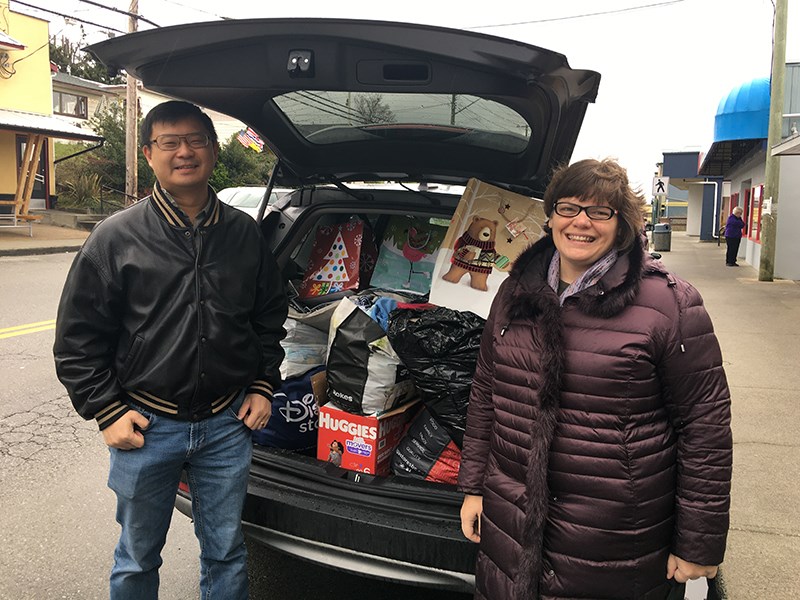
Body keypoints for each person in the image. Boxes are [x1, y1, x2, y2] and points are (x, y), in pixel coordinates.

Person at [458, 158, 732, 600]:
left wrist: (698, 542)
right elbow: (486, 392)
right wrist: (473, 487)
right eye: (568, 208)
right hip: (512, 520)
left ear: (621, 224)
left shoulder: (668, 303)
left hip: (618, 539)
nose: (581, 222)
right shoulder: (514, 292)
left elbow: (705, 427)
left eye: (599, 211)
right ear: (550, 217)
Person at [53, 100, 288, 600]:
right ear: (148, 153)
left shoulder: (244, 235)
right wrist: (107, 410)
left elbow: (268, 315)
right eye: (169, 142)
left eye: (196, 140)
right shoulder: (116, 238)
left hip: (227, 424)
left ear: (213, 148)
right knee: (138, 557)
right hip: (146, 425)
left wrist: (264, 385)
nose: (185, 152)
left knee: (226, 550)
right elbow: (76, 340)